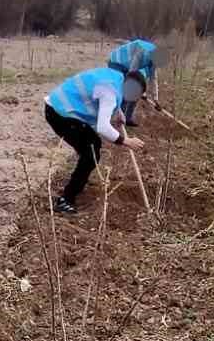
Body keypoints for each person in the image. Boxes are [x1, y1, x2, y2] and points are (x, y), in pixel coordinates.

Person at [44, 65, 145, 214]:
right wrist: (126, 141)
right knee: (91, 151)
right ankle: (65, 199)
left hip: (57, 104)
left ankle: (80, 177)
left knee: (89, 148)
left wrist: (118, 111)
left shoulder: (116, 77)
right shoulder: (111, 92)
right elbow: (103, 127)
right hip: (60, 114)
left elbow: (103, 94)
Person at [107, 38, 157, 126]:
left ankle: (128, 118)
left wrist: (156, 99)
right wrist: (143, 93)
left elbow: (153, 79)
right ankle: (117, 117)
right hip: (117, 62)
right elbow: (132, 73)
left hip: (129, 67)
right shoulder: (142, 52)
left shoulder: (154, 61)